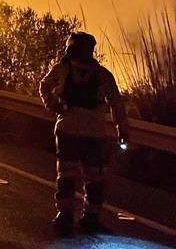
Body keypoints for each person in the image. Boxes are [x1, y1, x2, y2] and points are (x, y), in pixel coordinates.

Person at [38, 31, 130, 236]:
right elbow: (116, 103)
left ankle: (66, 216)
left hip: (69, 129)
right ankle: (90, 218)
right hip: (93, 133)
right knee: (94, 177)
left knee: (67, 175)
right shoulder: (102, 74)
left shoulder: (62, 69)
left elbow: (44, 87)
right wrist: (121, 129)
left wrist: (53, 105)